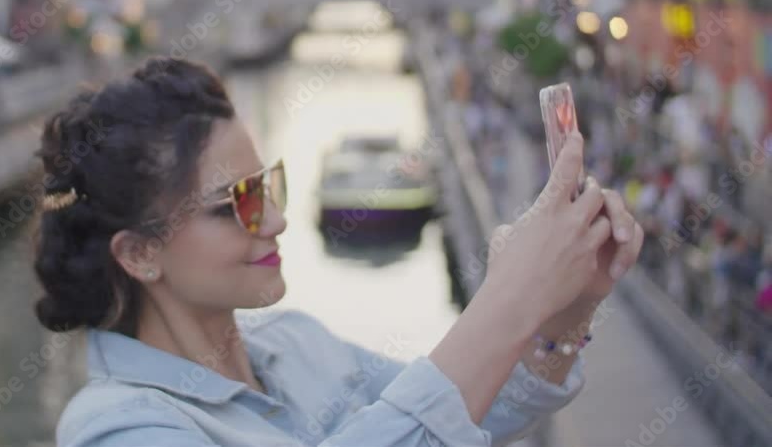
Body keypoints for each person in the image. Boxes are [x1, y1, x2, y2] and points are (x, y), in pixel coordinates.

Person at [35, 57, 644, 447]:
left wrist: (570, 306)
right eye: (238, 203)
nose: (275, 219)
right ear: (140, 252)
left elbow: (479, 410)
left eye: (268, 186)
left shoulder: (295, 343)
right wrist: (512, 297)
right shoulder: (114, 427)